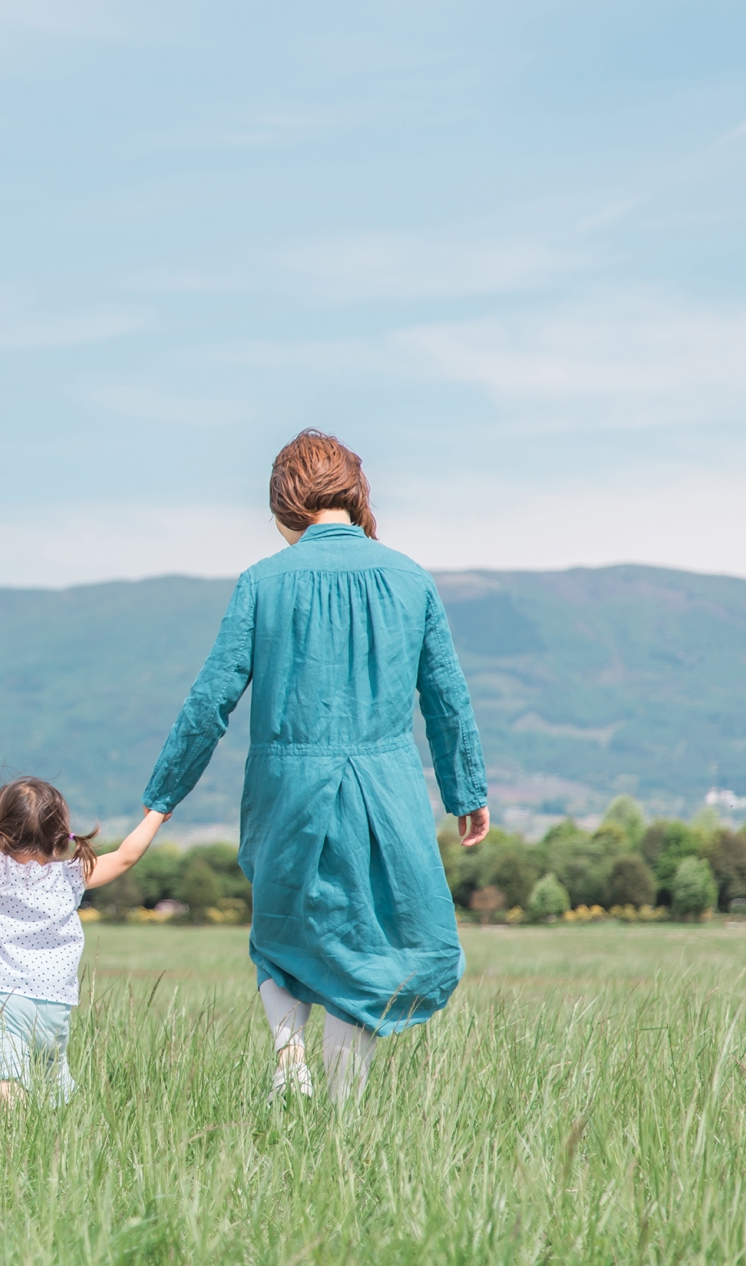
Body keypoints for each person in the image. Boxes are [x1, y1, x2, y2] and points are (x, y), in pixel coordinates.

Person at [142, 429, 489, 1104]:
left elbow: (211, 698)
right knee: (362, 939)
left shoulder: (261, 582)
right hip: (384, 788)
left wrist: (163, 797)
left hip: (284, 784)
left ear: (284, 505)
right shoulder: (409, 577)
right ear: (356, 496)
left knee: (279, 931)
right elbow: (446, 695)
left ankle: (288, 1059)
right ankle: (342, 1110)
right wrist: (465, 789)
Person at [0, 743, 168, 1105]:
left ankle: (14, 1131)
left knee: (6, 1077)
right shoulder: (70, 876)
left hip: (2, 998)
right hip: (55, 1004)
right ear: (59, 835)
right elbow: (126, 856)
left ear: (1, 829)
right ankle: (58, 1134)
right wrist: (156, 814)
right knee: (52, 1078)